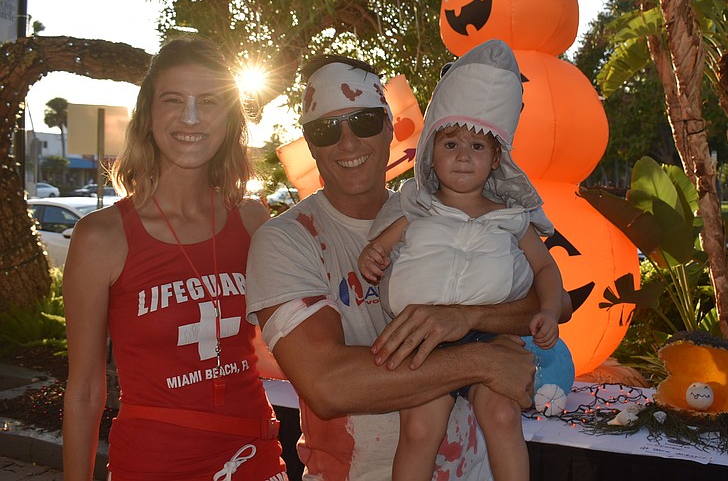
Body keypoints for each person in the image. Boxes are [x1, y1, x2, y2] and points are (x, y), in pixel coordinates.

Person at [245, 53, 570, 480]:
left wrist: (464, 318)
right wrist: (482, 361)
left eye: (363, 122)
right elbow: (328, 385)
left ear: (389, 127)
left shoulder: (446, 205)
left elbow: (555, 301)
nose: (347, 143)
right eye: (327, 129)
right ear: (309, 143)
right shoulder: (287, 240)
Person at [62, 37, 288, 481]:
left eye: (208, 101)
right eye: (173, 100)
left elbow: (281, 348)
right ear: (147, 116)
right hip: (152, 464)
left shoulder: (254, 220)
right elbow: (86, 390)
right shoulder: (102, 237)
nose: (191, 117)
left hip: (253, 456)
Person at [357, 39, 570, 480]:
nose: (462, 156)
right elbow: (381, 246)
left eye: (477, 147)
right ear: (432, 151)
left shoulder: (512, 218)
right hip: (422, 340)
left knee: (503, 417)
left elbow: (546, 268)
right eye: (451, 143)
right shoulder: (419, 206)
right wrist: (372, 257)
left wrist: (549, 309)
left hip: (490, 339)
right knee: (418, 429)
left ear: (496, 160)